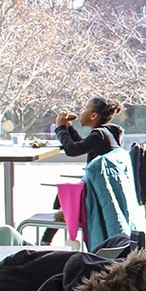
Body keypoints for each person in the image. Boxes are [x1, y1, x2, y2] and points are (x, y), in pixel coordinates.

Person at [41, 95, 125, 243]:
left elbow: (72, 150)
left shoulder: (99, 135)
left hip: (93, 198)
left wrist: (60, 128)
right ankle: (46, 241)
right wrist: (68, 128)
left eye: (85, 109)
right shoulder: (107, 133)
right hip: (99, 194)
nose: (81, 112)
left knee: (63, 194)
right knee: (62, 194)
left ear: (93, 115)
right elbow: (82, 144)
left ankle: (45, 241)